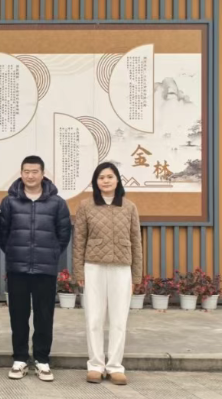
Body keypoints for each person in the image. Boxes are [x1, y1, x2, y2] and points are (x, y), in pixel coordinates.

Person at [0, 155, 71, 382]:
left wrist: (50, 254)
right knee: (18, 315)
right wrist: (14, 254)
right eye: (26, 172)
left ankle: (42, 360)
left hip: (45, 269)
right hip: (17, 268)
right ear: (21, 173)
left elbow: (63, 235)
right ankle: (20, 359)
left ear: (42, 174)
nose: (30, 176)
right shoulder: (9, 202)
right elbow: (3, 235)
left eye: (34, 172)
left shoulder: (57, 203)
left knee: (44, 316)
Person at [73, 162, 143, 386]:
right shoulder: (86, 206)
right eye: (101, 177)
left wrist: (136, 275)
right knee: (94, 317)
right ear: (96, 181)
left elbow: (136, 242)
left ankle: (114, 367)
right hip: (93, 266)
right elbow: (79, 241)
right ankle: (95, 365)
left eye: (110, 176)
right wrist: (78, 270)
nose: (106, 180)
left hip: (122, 268)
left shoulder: (129, 207)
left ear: (117, 180)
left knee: (119, 319)